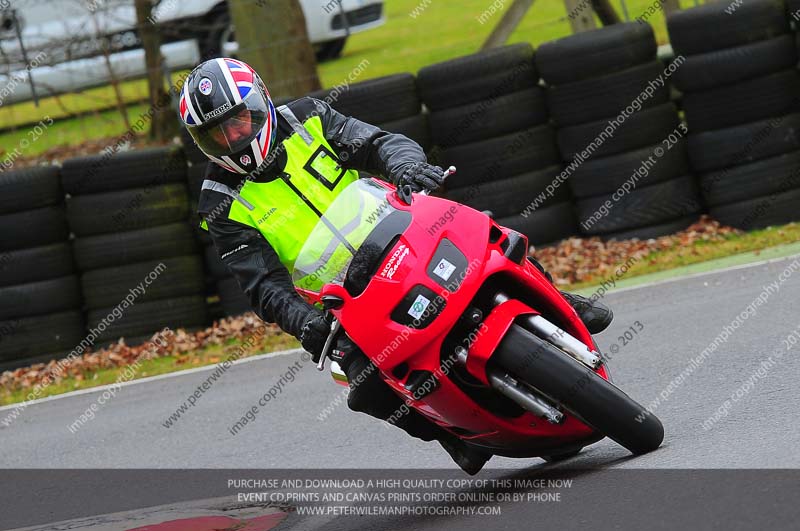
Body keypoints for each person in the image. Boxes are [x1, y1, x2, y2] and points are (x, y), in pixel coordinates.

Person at [181, 58, 613, 475]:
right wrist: (305, 323)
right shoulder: (219, 202)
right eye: (216, 135)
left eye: (239, 120)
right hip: (342, 298)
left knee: (488, 238)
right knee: (361, 384)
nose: (233, 137)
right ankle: (450, 435)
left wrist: (408, 168)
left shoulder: (307, 118)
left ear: (261, 102)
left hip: (401, 232)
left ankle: (559, 301)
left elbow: (378, 143)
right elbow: (264, 287)